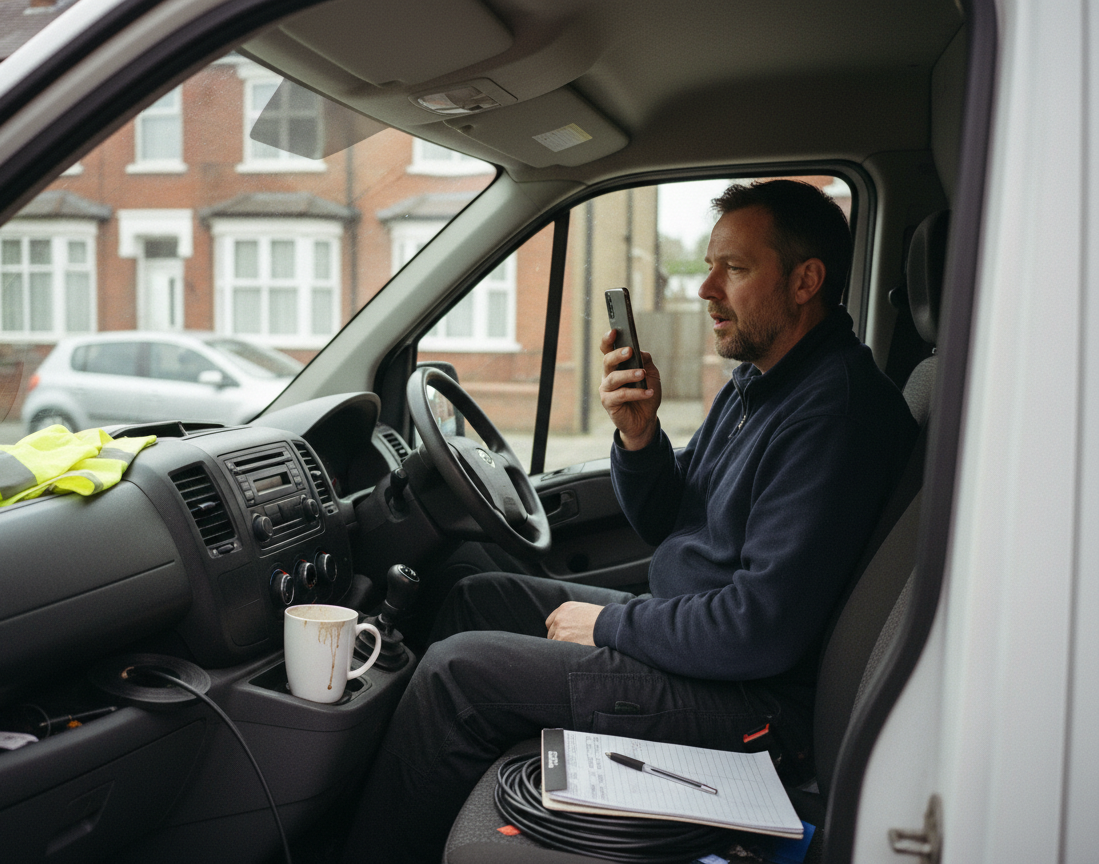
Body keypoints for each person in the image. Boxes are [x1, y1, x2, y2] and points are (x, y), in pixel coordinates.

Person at [341, 180, 918, 864]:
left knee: (456, 675)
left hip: (749, 703)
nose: (705, 290)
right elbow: (669, 520)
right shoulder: (763, 382)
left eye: (732, 269)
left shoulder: (834, 415)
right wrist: (640, 439)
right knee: (476, 593)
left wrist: (610, 626)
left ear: (804, 282)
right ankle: (428, 805)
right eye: (709, 266)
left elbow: (759, 628)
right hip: (694, 641)